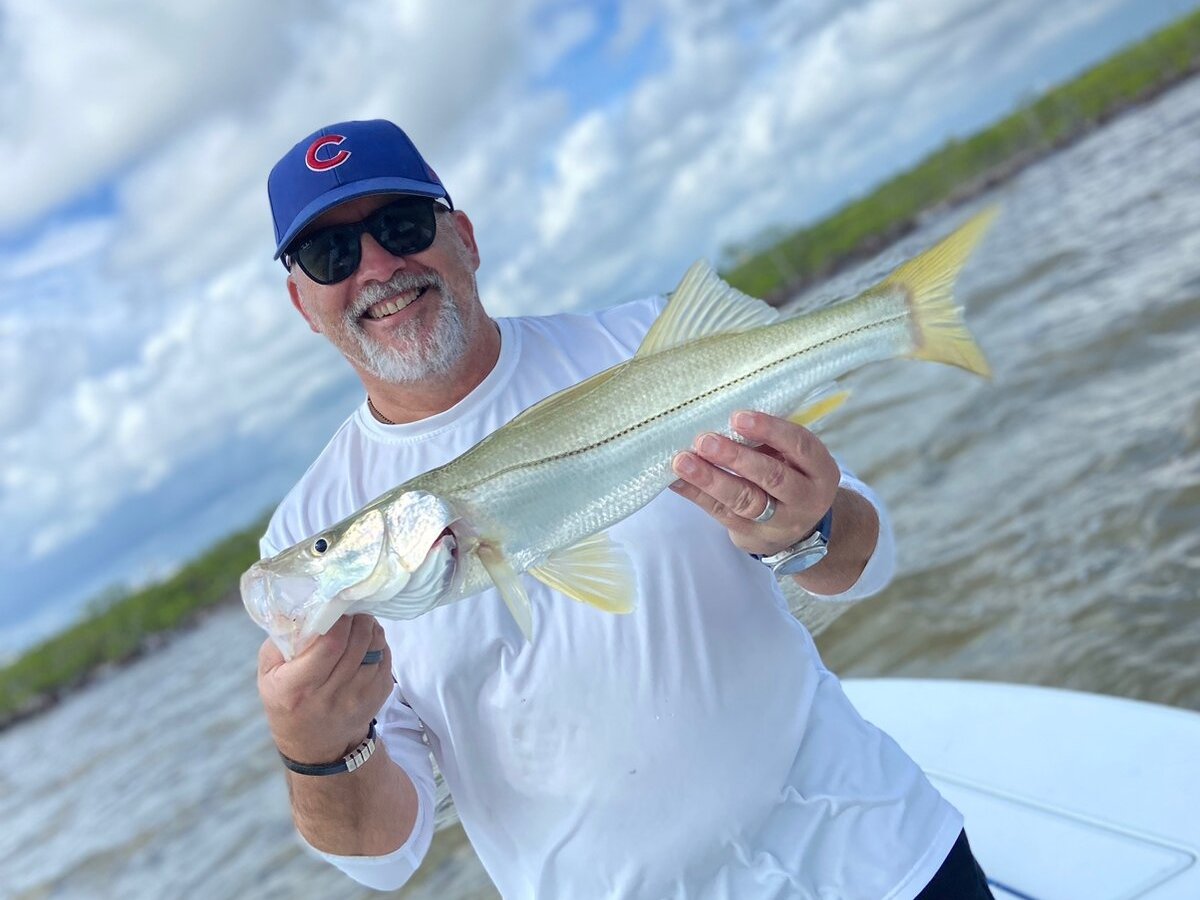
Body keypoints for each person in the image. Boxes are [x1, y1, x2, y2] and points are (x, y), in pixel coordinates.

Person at [255, 119, 994, 899]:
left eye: (399, 226)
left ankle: (900, 316)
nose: (376, 266)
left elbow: (871, 564)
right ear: (304, 302)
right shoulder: (306, 529)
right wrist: (315, 749)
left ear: (464, 236)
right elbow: (384, 858)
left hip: (881, 857)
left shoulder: (643, 341)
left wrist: (809, 532)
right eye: (329, 253)